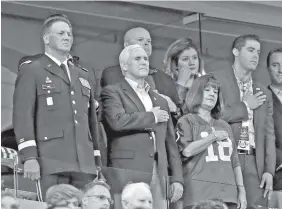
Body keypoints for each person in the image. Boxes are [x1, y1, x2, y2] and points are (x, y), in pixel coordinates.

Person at [13, 14, 102, 198]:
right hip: (50, 161)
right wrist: (29, 157)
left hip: (83, 164)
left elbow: (91, 122)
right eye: (61, 33)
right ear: (46, 38)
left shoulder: (83, 75)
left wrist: (96, 160)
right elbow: (23, 116)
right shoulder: (33, 70)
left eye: (69, 34)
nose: (67, 37)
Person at [101, 45, 184, 209]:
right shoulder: (112, 92)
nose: (144, 62)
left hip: (158, 171)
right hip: (127, 169)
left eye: (146, 58)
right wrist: (151, 116)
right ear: (124, 66)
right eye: (137, 58)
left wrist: (177, 178)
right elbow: (117, 121)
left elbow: (170, 143)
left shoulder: (160, 100)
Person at [212, 34, 276, 209]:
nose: (256, 55)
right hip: (226, 158)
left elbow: (269, 134)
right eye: (250, 50)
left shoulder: (263, 92)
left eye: (258, 52)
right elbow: (211, 118)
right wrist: (245, 105)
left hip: (255, 160)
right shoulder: (216, 80)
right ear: (235, 52)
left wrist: (269, 171)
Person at [176, 74, 247, 209]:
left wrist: (241, 191)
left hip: (228, 194)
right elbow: (187, 150)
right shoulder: (186, 121)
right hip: (199, 194)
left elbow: (235, 161)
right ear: (197, 92)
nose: (212, 94)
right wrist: (212, 137)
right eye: (207, 90)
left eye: (215, 91)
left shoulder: (224, 125)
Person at [101, 27, 181, 115]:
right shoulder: (112, 73)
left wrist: (174, 108)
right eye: (140, 40)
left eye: (149, 41)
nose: (146, 43)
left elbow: (180, 114)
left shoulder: (165, 79)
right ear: (126, 45)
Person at [163, 38, 206, 107]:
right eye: (185, 59)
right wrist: (181, 84)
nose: (192, 63)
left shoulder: (206, 85)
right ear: (175, 64)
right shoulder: (166, 88)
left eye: (195, 58)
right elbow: (174, 112)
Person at [266, 48, 282, 208]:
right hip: (277, 180)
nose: (281, 70)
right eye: (276, 65)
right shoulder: (262, 99)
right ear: (268, 69)